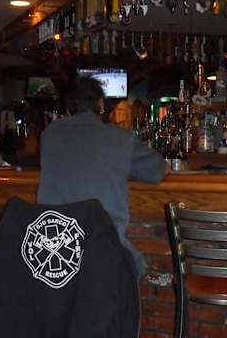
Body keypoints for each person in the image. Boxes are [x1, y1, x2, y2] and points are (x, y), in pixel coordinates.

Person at [36, 76, 168, 278]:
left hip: (54, 253)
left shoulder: (48, 136)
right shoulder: (121, 139)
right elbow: (160, 170)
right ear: (101, 105)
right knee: (136, 265)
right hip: (102, 252)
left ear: (67, 108)